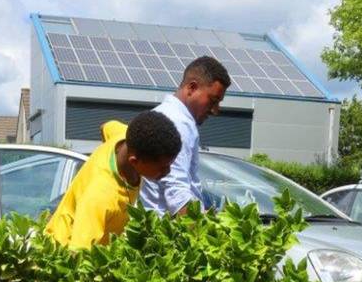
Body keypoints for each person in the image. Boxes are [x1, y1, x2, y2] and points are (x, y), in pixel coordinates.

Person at [45, 110, 181, 249]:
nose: (167, 172)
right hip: (63, 248)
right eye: (162, 167)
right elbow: (79, 254)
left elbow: (106, 126)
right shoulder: (101, 196)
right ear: (134, 161)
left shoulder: (126, 137)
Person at [139, 56, 230, 215]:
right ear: (192, 88)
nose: (216, 110)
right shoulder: (177, 123)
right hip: (168, 233)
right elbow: (176, 192)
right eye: (213, 100)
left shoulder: (166, 115)